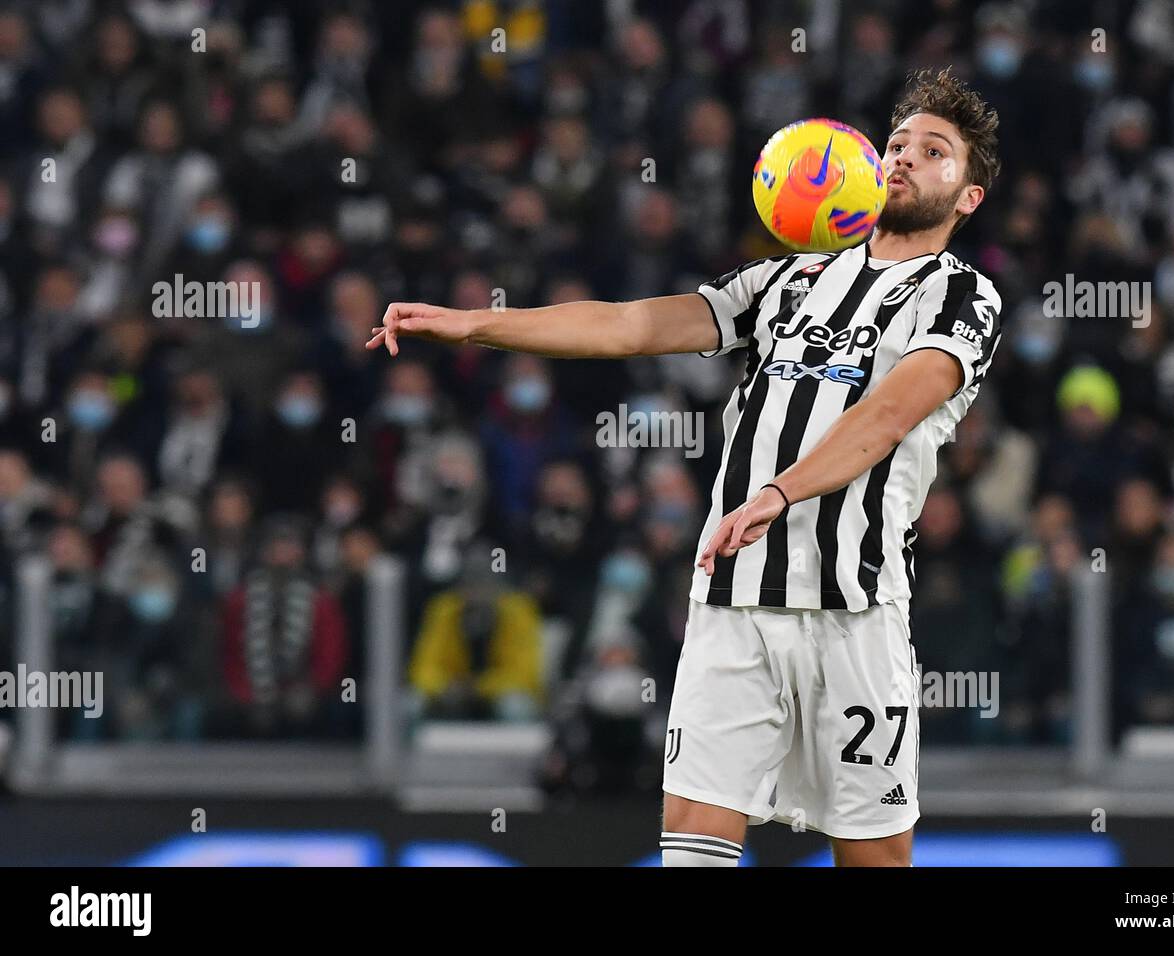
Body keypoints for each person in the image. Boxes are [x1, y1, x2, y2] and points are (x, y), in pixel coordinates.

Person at [367, 68, 1002, 868]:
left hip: (856, 610)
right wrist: (472, 325)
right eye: (898, 143)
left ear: (968, 195)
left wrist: (780, 490)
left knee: (874, 860)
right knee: (693, 853)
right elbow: (629, 325)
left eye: (934, 151)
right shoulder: (785, 279)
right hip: (733, 603)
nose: (905, 158)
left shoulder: (961, 297)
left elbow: (887, 415)